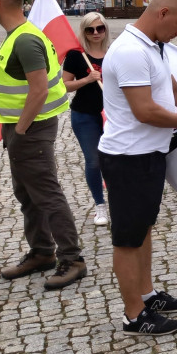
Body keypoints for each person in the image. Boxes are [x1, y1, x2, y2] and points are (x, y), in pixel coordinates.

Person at [99, 0, 177, 335]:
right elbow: (144, 110)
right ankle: (134, 316)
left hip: (148, 154)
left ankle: (147, 294)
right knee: (128, 238)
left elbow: (174, 90)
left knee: (143, 229)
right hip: (128, 157)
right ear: (162, 13)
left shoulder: (152, 47)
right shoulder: (130, 51)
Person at [0, 0, 87, 290]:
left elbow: (39, 89)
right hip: (21, 127)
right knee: (27, 194)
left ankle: (72, 259)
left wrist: (20, 130)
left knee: (46, 194)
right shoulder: (17, 35)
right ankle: (42, 251)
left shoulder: (24, 40)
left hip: (30, 128)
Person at [62, 12, 111, 226]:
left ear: (106, 29)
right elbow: (64, 85)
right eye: (90, 29)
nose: (96, 33)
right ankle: (100, 205)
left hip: (112, 115)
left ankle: (118, 200)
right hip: (85, 115)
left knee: (114, 160)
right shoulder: (76, 56)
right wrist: (87, 79)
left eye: (100, 28)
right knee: (94, 160)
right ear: (84, 32)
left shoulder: (113, 53)